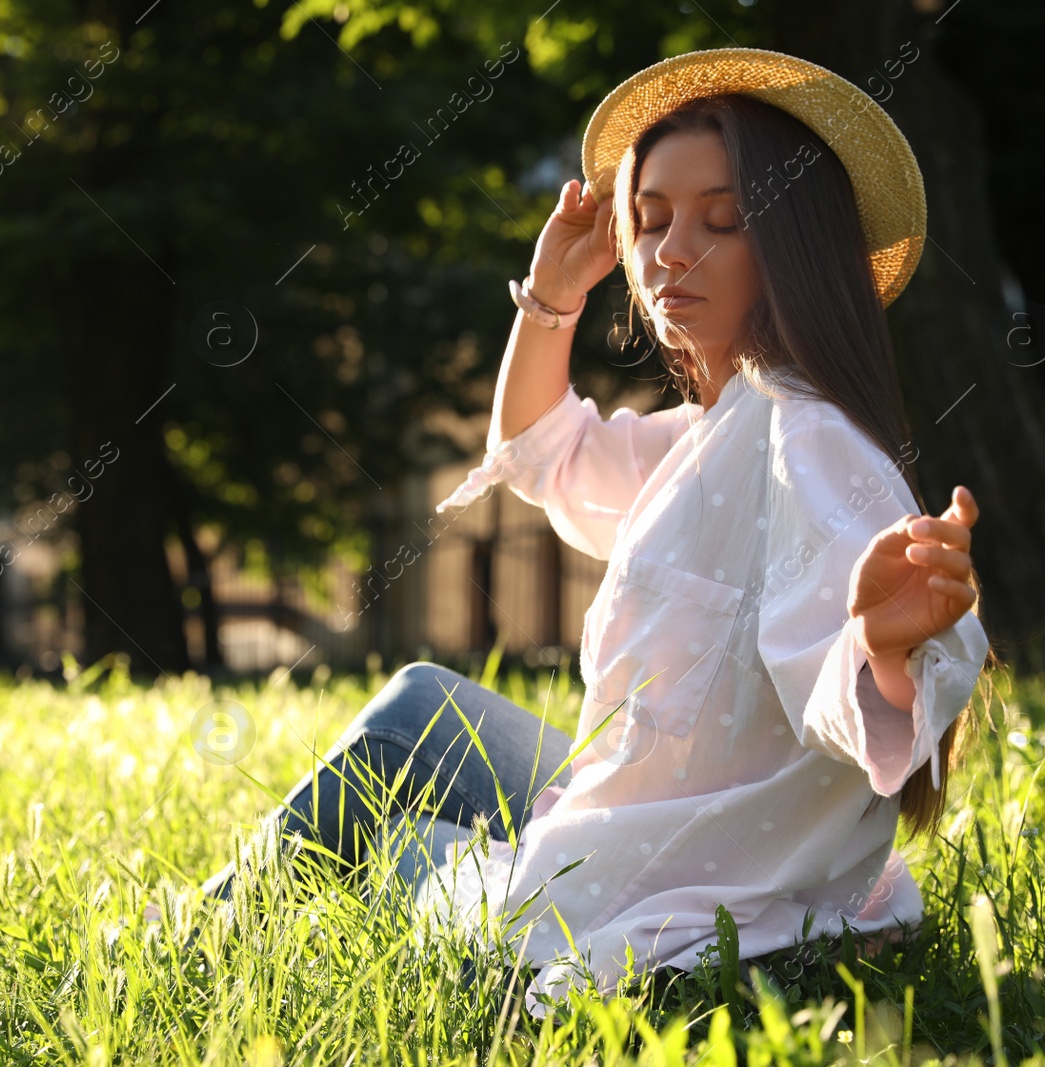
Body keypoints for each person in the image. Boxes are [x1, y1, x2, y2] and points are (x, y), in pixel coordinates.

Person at [151, 46, 992, 1019]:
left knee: (393, 847)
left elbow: (851, 681)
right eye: (651, 218)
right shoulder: (713, 433)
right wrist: (551, 294)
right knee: (420, 708)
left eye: (724, 219)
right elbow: (541, 450)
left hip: (689, 878)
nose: (673, 250)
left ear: (797, 243)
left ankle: (182, 954)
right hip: (652, 816)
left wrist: (885, 646)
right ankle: (199, 937)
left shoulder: (801, 439)